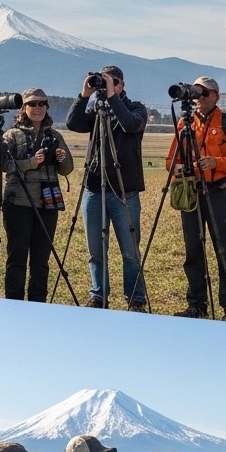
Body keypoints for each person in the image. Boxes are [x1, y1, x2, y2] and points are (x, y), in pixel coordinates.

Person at [165, 76, 226, 321]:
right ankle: (196, 304)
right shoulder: (184, 123)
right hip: (192, 193)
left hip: (219, 192)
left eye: (204, 94)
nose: (199, 99)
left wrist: (216, 162)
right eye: (196, 94)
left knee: (225, 251)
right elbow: (171, 161)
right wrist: (179, 169)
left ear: (216, 96)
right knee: (192, 251)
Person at [64, 66, 149, 310]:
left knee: (130, 252)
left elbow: (131, 124)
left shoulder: (136, 108)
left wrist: (112, 96)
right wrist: (83, 95)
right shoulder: (94, 108)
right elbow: (73, 123)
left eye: (112, 82)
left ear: (122, 84)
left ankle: (135, 298)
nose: (104, 86)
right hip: (94, 188)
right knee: (96, 252)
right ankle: (98, 295)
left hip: (125, 192)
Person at [0, 88, 74, 302]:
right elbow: (2, 164)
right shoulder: (12, 134)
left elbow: (67, 169)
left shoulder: (55, 135)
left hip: (48, 203)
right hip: (18, 203)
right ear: (24, 108)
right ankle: (14, 303)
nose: (38, 108)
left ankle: (37, 303)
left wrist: (61, 157)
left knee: (41, 259)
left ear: (47, 107)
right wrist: (31, 163)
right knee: (17, 258)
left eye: (42, 103)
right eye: (33, 104)